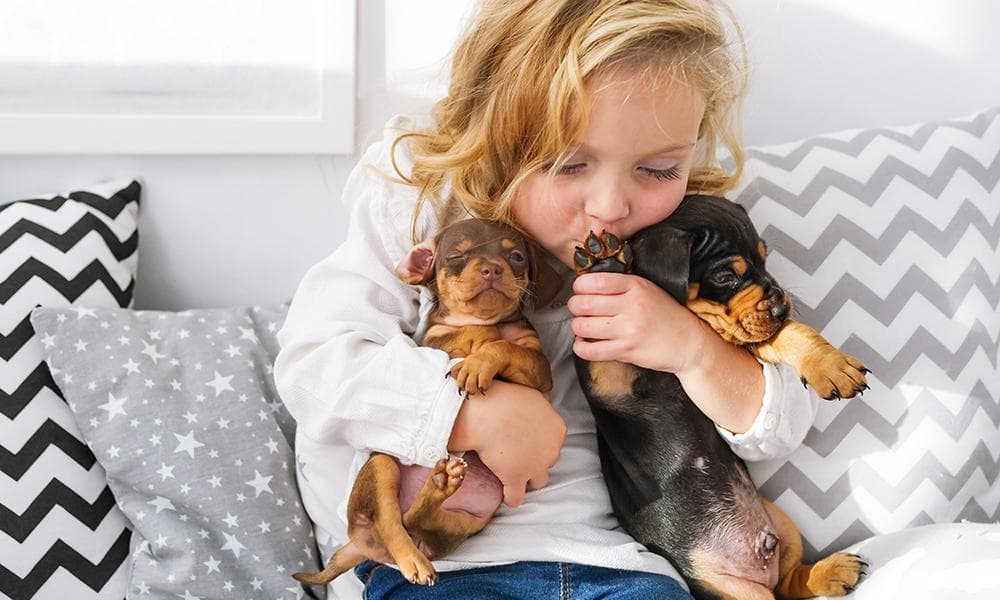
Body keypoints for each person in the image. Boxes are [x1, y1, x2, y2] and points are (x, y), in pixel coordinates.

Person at [274, 1, 819, 598]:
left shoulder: (679, 246)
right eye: (569, 164)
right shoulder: (426, 205)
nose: (611, 207)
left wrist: (690, 349)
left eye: (659, 169)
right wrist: (464, 413)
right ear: (498, 136)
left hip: (622, 565)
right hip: (442, 568)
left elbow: (781, 425)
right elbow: (313, 363)